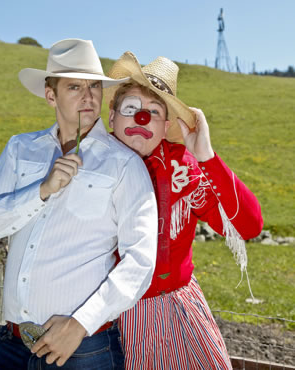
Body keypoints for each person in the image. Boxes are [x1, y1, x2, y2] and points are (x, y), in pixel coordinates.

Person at [0, 39, 158, 369]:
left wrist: (80, 324)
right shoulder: (20, 149)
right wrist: (41, 190)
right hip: (11, 344)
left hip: (82, 350)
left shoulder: (124, 164)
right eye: (74, 86)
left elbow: (140, 261)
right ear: (50, 94)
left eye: (94, 86)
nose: (89, 97)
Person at [105, 52, 263, 369]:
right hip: (109, 316)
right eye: (131, 109)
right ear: (112, 117)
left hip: (180, 310)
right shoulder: (90, 167)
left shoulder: (184, 170)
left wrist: (206, 156)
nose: (141, 119)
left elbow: (249, 226)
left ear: (166, 126)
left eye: (153, 111)